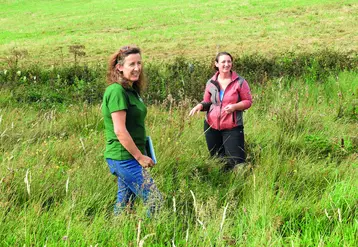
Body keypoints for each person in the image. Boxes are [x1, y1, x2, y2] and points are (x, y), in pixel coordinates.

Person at [102, 45, 161, 215]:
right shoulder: (116, 91)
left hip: (130, 155)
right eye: (132, 64)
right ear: (119, 67)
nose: (137, 68)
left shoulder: (130, 90)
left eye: (139, 63)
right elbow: (120, 130)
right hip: (124, 157)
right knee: (154, 200)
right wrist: (140, 157)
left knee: (125, 204)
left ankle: (117, 234)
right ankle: (153, 236)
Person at [189, 51, 252, 171]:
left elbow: (248, 101)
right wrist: (200, 106)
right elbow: (208, 102)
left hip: (232, 127)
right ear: (216, 64)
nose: (226, 64)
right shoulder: (211, 82)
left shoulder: (240, 82)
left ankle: (239, 185)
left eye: (229, 61)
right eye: (223, 62)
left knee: (236, 161)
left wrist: (235, 107)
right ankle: (223, 183)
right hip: (211, 127)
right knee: (217, 159)